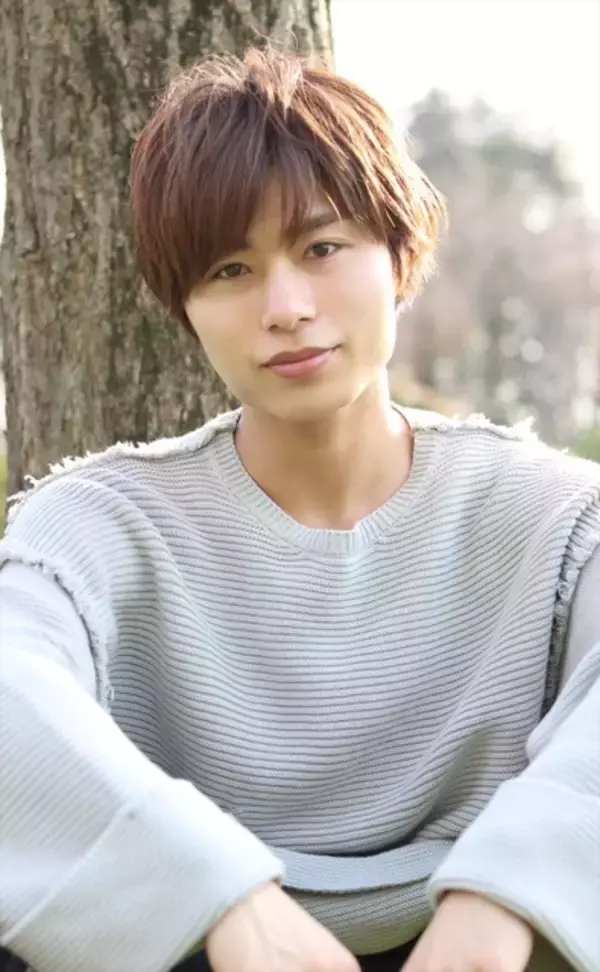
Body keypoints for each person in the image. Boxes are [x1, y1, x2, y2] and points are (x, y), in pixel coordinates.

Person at [0, 45, 599, 972]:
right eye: (230, 270)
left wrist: (510, 891)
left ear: (399, 255)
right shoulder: (97, 526)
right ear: (184, 305)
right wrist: (217, 896)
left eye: (323, 249)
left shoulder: (551, 516)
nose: (284, 307)